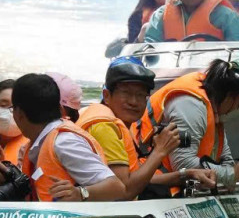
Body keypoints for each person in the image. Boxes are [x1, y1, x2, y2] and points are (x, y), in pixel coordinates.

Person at [135, 57, 239, 190]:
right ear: (236, 95)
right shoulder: (191, 105)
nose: (236, 109)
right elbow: (182, 163)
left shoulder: (212, 106)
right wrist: (232, 175)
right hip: (148, 186)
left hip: (170, 187)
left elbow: (224, 157)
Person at [6, 72, 130, 202]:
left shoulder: (64, 143)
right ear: (60, 108)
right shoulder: (38, 143)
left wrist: (80, 193)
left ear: (18, 113)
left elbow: (117, 188)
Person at [77, 58, 190, 197]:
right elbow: (125, 191)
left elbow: (136, 177)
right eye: (126, 93)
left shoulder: (118, 122)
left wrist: (185, 175)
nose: (133, 102)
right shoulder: (104, 127)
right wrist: (160, 151)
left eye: (141, 95)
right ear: (107, 96)